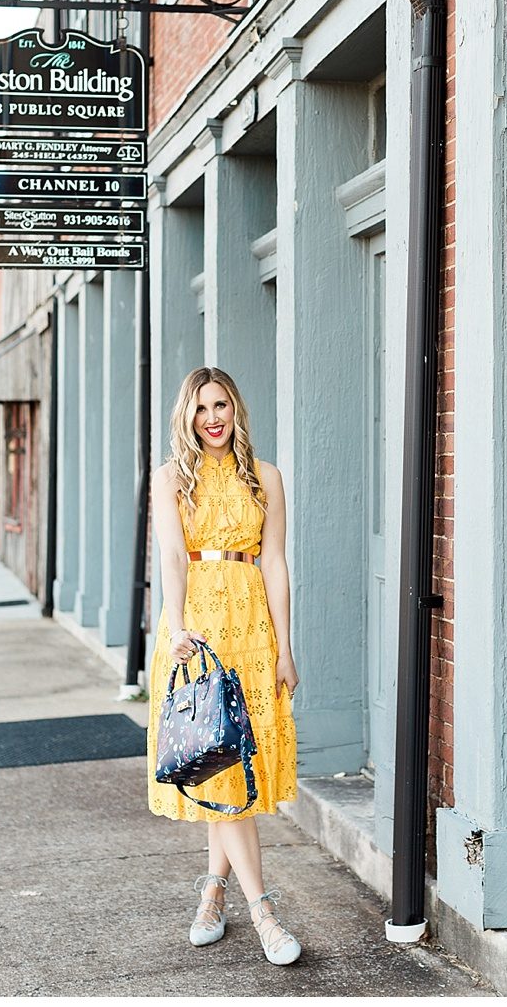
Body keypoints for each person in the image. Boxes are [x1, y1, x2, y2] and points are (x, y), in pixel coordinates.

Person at [146, 367, 301, 966]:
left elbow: (277, 563)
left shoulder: (266, 478)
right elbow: (172, 561)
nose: (213, 418)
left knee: (231, 766)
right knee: (220, 767)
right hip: (198, 632)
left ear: (237, 411)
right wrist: (178, 626)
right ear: (187, 416)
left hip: (253, 630)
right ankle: (264, 914)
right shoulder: (170, 481)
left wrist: (286, 647)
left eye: (223, 406)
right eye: (203, 408)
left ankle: (213, 895)